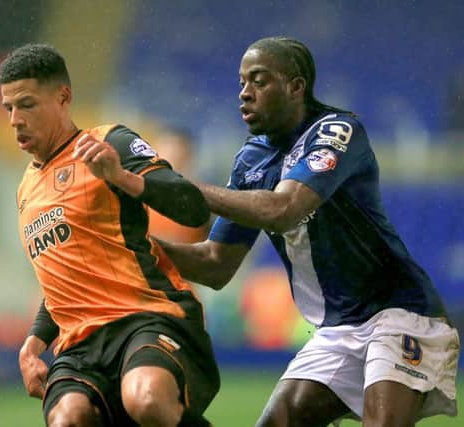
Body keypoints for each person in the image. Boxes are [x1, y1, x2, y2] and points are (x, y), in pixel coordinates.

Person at [155, 36, 460, 427]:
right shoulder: (251, 161)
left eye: (259, 81)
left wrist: (176, 186)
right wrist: (134, 244)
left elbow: (284, 209)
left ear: (296, 87)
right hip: (336, 330)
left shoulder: (337, 131)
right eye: (242, 82)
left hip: (399, 312)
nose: (244, 94)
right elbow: (216, 263)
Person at [0, 43, 219, 427]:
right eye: (9, 108)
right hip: (79, 347)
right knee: (68, 419)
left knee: (146, 398)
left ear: (63, 97)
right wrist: (33, 344)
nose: (16, 119)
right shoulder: (25, 192)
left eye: (27, 104)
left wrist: (121, 178)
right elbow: (63, 282)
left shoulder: (110, 142)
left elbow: (193, 206)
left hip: (146, 318)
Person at [148, 126, 209, 244]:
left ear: (189, 157)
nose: (173, 157)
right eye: (168, 149)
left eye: (179, 152)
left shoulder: (202, 202)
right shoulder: (130, 193)